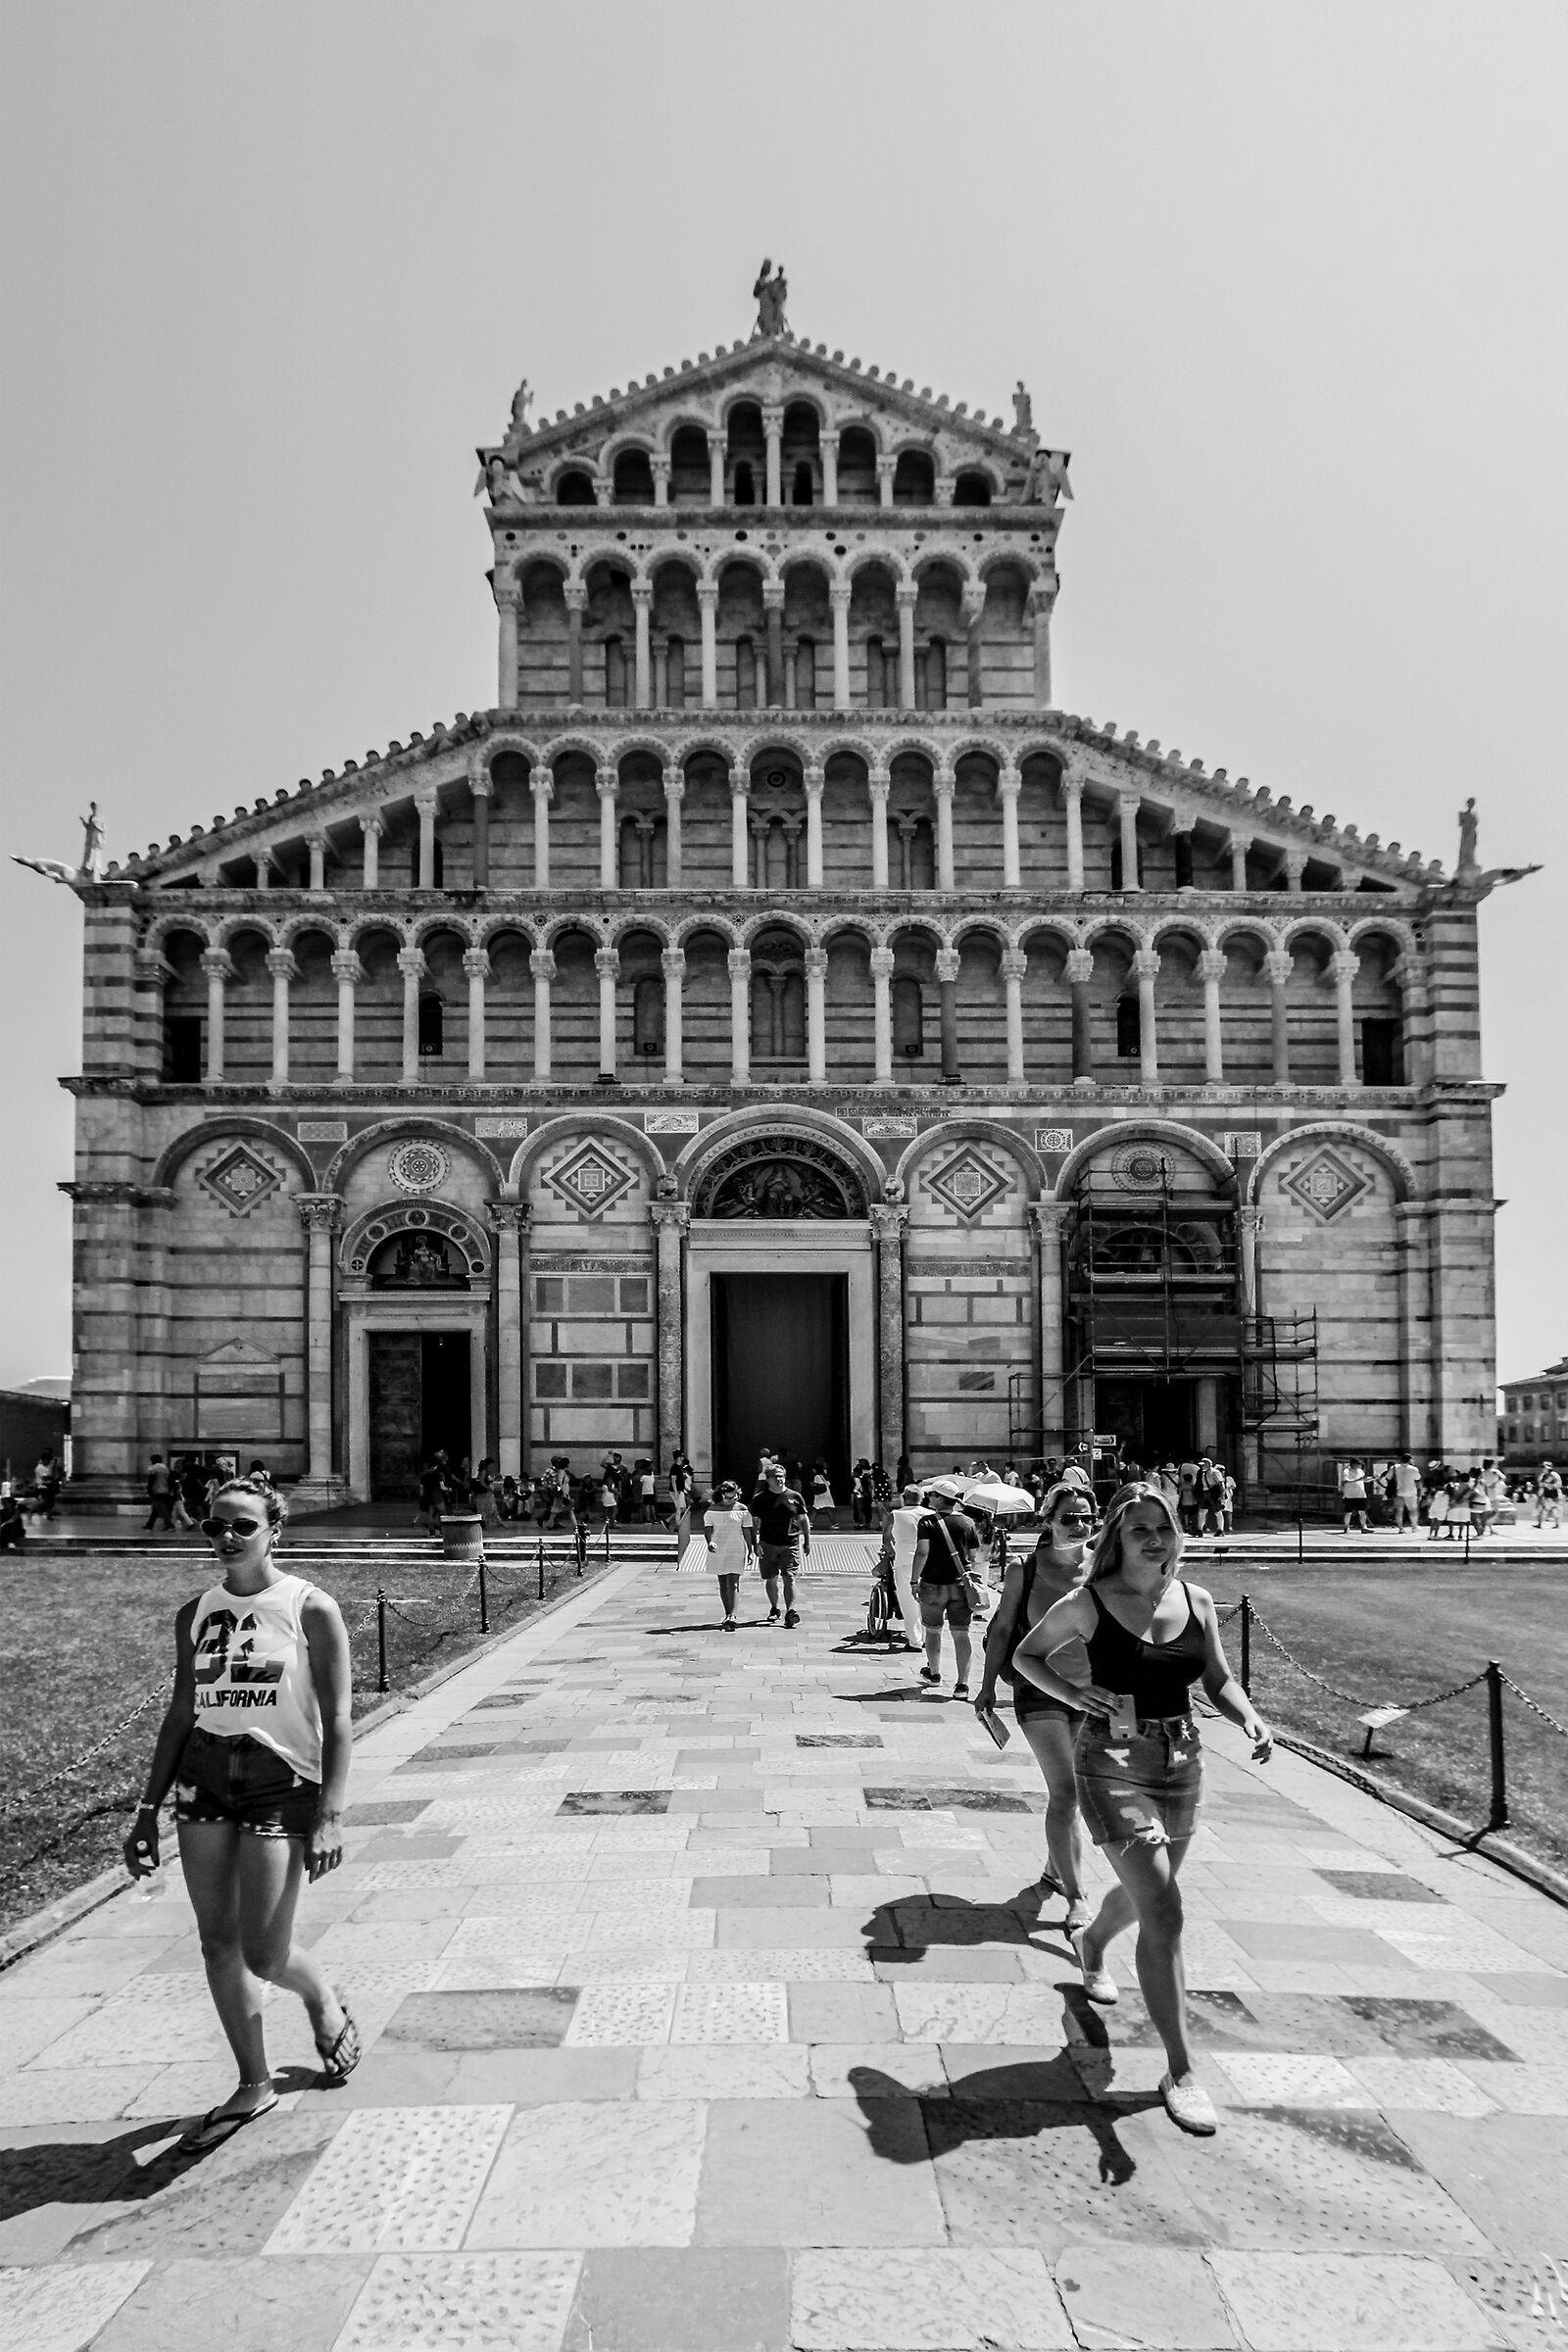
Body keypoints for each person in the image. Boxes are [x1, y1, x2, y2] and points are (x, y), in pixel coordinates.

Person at [1012, 1482, 1272, 2137]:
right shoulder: (1089, 1600)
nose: (1154, 1540)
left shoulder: (1197, 1599)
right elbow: (1026, 1655)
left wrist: (1250, 1718)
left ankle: (1093, 1940)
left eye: (1163, 1528)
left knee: (1151, 1895)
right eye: (1139, 1531)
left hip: (1181, 1760)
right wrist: (1076, 1694)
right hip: (1110, 1763)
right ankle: (1181, 2071)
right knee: (1165, 1909)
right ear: (1116, 1540)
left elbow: (1217, 1678)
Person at [122, 1474, 360, 2151]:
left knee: (264, 1950)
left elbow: (340, 1718)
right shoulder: (194, 1612)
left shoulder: (310, 1607)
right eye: (215, 1526)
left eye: (241, 1526)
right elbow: (179, 1712)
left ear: (273, 1531)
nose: (226, 1538)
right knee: (216, 1942)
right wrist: (146, 1808)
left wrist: (332, 1812)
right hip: (203, 1780)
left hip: (279, 1782)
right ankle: (252, 2082)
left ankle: (320, 2000)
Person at [974, 1480, 1097, 1930]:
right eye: (1069, 1518)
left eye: (1087, 1516)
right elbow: (1004, 1629)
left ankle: (1053, 1867)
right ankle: (1077, 1896)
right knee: (1067, 1791)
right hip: (1038, 1687)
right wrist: (986, 1685)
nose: (1079, 1525)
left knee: (1073, 1795)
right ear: (1047, 1520)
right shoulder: (1024, 1570)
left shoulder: (1102, 1568)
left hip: (1091, 1691)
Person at [909, 1481, 983, 1697]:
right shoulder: (967, 1522)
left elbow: (922, 1552)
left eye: (932, 1494)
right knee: (962, 1634)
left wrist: (914, 1580)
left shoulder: (927, 1522)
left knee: (933, 1630)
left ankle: (934, 1674)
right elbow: (973, 1556)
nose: (928, 1497)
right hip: (960, 1585)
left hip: (932, 1584)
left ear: (940, 1498)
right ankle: (962, 1685)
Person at [750, 1458, 811, 1626]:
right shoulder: (760, 1499)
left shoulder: (795, 1496)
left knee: (789, 1577)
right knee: (771, 1578)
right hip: (768, 1543)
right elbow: (755, 1522)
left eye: (782, 1476)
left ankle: (790, 1611)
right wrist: (755, 1544)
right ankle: (774, 1608)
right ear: (768, 1479)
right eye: (776, 1476)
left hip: (790, 1543)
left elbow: (803, 1519)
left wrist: (807, 1540)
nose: (779, 1479)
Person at [703, 1478, 756, 1629]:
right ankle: (727, 1613)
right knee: (723, 1582)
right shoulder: (712, 1510)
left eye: (734, 1497)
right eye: (727, 1497)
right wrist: (710, 1542)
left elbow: (747, 1530)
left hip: (736, 1548)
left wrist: (750, 1550)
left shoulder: (742, 1510)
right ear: (721, 1495)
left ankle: (733, 1615)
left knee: (733, 1582)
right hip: (718, 1548)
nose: (730, 1500)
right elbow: (708, 1528)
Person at [879, 1484, 927, 1653]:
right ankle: (928, 1636)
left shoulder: (896, 1515)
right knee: (927, 1601)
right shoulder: (930, 1515)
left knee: (908, 1601)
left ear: (904, 1498)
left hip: (905, 1559)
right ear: (921, 1499)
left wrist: (892, 1552)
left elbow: (886, 1539)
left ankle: (915, 1640)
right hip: (928, 1561)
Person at [1388, 1452, 1421, 1533]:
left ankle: (1401, 1528)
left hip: (1398, 1491)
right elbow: (1417, 1478)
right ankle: (1414, 1527)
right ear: (1410, 1460)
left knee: (1399, 1510)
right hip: (1411, 1492)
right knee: (1413, 1510)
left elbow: (1388, 1477)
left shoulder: (1394, 1467)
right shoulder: (1414, 1469)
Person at [145, 1453, 175, 1534]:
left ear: (153, 1460)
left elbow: (151, 1480)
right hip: (165, 1491)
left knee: (162, 1509)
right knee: (156, 1509)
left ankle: (169, 1525)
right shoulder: (166, 1468)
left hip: (157, 1491)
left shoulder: (153, 1468)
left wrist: (149, 1490)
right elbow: (170, 1481)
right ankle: (149, 1525)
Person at [1339, 1457, 1370, 1533]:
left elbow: (1364, 1480)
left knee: (1362, 1512)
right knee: (1348, 1512)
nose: (1359, 1466)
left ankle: (1364, 1527)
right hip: (1350, 1495)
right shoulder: (1346, 1471)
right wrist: (1358, 1480)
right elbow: (1346, 1481)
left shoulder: (1360, 1471)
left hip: (1361, 1494)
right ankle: (1346, 1526)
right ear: (1353, 1464)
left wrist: (1373, 1478)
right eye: (1358, 1465)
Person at [1538, 1462, 1564, 1529]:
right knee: (1544, 1509)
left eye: (1544, 1467)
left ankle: (1556, 1524)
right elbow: (1540, 1483)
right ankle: (1540, 1524)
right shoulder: (1544, 1475)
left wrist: (1549, 1486)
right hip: (1547, 1494)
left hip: (1554, 1495)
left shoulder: (1554, 1475)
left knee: (1553, 1509)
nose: (1543, 1469)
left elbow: (1559, 1484)